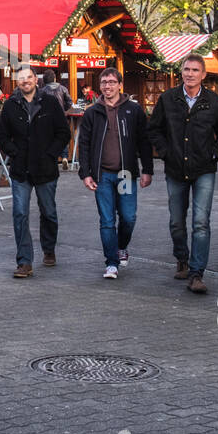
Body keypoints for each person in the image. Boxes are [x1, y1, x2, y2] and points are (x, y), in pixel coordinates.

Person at [146, 54, 218, 292]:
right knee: (176, 221)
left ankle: (197, 273)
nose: (190, 73)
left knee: (201, 222)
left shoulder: (214, 102)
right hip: (175, 169)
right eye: (186, 69)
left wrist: (214, 153)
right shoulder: (168, 99)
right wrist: (165, 152)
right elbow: (153, 130)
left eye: (195, 70)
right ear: (181, 72)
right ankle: (182, 258)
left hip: (203, 169)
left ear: (203, 74)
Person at [78, 67, 153, 280]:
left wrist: (147, 170)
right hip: (102, 175)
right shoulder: (93, 112)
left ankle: (121, 246)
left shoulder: (133, 110)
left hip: (126, 174)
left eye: (111, 82)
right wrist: (85, 173)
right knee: (107, 220)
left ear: (120, 84)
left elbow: (143, 142)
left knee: (128, 217)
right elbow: (84, 144)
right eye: (104, 83)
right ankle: (111, 263)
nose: (107, 86)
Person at [0, 64, 70, 278]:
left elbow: (63, 132)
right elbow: (2, 136)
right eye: (21, 78)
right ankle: (24, 261)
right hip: (21, 169)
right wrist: (15, 153)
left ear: (36, 80)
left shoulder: (50, 103)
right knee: (20, 213)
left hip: (45, 168)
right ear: (16, 82)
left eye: (29, 77)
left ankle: (49, 248)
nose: (25, 81)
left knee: (48, 211)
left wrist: (51, 154)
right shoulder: (10, 105)